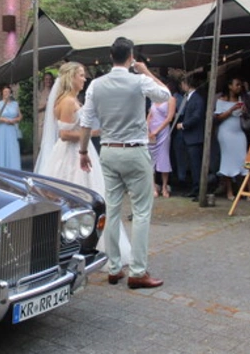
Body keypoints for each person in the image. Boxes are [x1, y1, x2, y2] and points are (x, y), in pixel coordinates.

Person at [78, 37, 170, 290]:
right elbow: (165, 95)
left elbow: (86, 121)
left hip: (108, 151)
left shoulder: (96, 85)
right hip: (135, 150)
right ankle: (138, 271)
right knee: (141, 212)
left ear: (110, 56)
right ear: (130, 56)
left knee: (113, 211)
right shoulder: (139, 80)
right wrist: (146, 71)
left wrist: (83, 151)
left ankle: (115, 267)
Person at [36, 62, 131, 267]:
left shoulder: (71, 100)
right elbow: (64, 134)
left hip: (79, 151)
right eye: (81, 75)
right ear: (71, 78)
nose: (84, 78)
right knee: (81, 197)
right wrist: (92, 133)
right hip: (71, 155)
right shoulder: (68, 102)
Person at [214, 77, 248, 200]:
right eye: (237, 85)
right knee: (228, 161)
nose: (239, 87)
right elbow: (218, 117)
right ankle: (229, 191)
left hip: (239, 132)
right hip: (226, 132)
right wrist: (231, 109)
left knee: (243, 160)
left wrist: (243, 111)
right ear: (230, 86)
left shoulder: (241, 99)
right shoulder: (221, 100)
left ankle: (244, 190)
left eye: (240, 85)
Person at [176, 73, 205, 201]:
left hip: (194, 136)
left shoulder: (197, 99)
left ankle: (198, 190)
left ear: (187, 84)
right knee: (192, 165)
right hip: (189, 137)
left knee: (196, 165)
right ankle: (194, 188)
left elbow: (197, 117)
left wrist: (183, 125)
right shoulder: (189, 97)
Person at [147, 80, 176, 198]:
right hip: (151, 132)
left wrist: (157, 131)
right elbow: (149, 115)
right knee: (150, 159)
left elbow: (169, 118)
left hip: (163, 131)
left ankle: (164, 186)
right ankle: (153, 186)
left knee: (163, 157)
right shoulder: (154, 100)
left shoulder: (171, 99)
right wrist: (147, 129)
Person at [0, 84, 22, 170]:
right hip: (2, 128)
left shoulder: (15, 104)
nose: (6, 93)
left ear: (10, 93)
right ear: (2, 93)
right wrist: (4, 120)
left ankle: (14, 168)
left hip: (12, 128)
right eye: (5, 92)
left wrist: (14, 120)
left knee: (13, 149)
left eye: (8, 92)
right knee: (2, 148)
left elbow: (20, 116)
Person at [36, 72, 55, 144]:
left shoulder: (54, 92)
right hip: (42, 121)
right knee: (42, 142)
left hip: (52, 120)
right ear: (43, 80)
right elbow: (35, 109)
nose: (48, 81)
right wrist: (45, 106)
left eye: (50, 79)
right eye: (46, 79)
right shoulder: (39, 93)